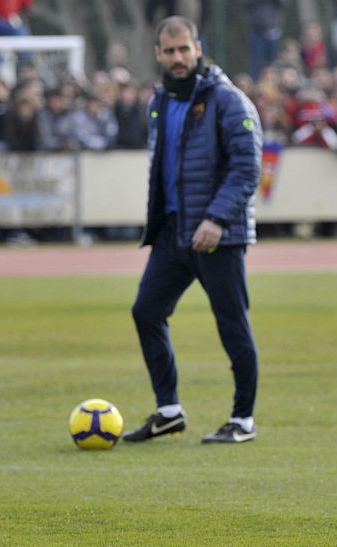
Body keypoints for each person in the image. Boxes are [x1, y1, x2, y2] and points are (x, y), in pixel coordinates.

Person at [123, 16, 263, 445]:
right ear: (158, 55)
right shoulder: (160, 101)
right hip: (173, 233)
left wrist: (216, 219)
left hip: (218, 235)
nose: (178, 58)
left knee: (232, 324)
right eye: (170, 51)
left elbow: (247, 167)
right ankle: (168, 410)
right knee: (146, 311)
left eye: (184, 49)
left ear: (198, 48)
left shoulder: (228, 100)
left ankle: (242, 420)